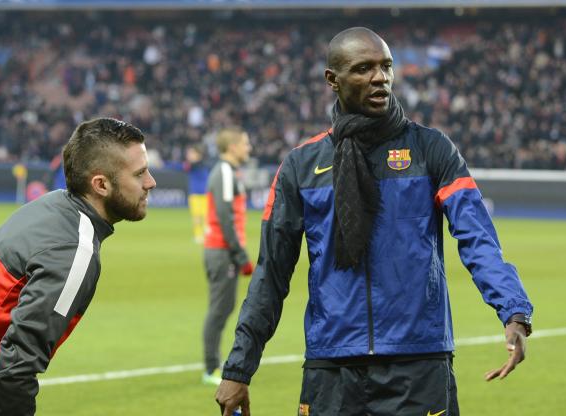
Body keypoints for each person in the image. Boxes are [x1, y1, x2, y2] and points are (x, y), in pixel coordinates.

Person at [215, 27, 534, 416]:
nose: (380, 77)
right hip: (332, 367)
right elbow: (271, 274)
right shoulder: (301, 166)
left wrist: (513, 311)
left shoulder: (431, 149)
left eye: (386, 66)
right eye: (363, 68)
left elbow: (478, 239)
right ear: (332, 79)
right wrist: (239, 368)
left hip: (417, 364)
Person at [0, 118, 157, 416]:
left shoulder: (51, 205)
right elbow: (15, 368)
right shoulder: (75, 251)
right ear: (101, 185)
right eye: (140, 173)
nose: (151, 182)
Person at [202, 127, 254, 386]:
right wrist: (240, 255)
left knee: (224, 307)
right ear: (232, 146)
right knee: (219, 309)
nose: (248, 148)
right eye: (245, 143)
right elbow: (224, 216)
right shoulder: (223, 171)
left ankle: (213, 364)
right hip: (221, 250)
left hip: (224, 250)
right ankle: (211, 368)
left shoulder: (230, 172)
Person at [184, 145, 210, 243]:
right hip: (195, 195)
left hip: (205, 194)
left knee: (206, 216)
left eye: (191, 153)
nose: (189, 155)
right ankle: (198, 235)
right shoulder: (192, 165)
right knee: (196, 216)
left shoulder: (200, 164)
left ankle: (206, 236)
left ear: (198, 154)